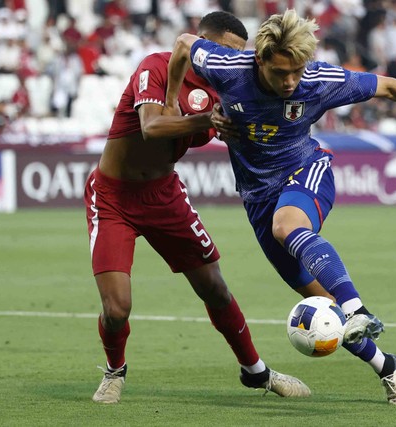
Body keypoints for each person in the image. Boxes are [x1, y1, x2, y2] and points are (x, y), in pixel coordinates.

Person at [165, 9, 396, 405]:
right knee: (324, 310)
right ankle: (387, 367)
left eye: (297, 71)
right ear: (259, 60)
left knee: (288, 227)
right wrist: (171, 106)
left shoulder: (319, 80)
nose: (290, 81)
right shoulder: (229, 68)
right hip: (258, 199)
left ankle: (358, 307)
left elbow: (390, 87)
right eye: (281, 73)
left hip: (306, 170)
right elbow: (181, 44)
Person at [83, 11, 311, 404]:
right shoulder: (155, 66)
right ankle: (114, 372)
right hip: (113, 198)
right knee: (117, 308)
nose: (232, 61)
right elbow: (151, 126)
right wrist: (206, 119)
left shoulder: (226, 92)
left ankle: (256, 372)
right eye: (228, 51)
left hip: (164, 195)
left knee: (215, 288)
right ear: (204, 40)